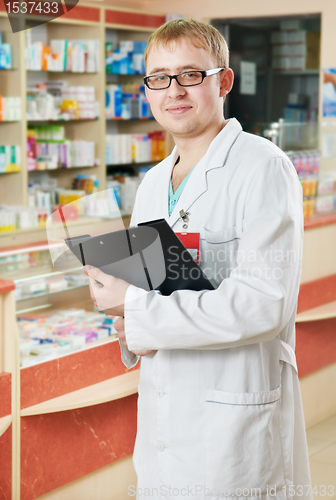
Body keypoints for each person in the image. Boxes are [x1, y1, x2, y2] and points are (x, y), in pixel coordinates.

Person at [84, 19, 312, 500]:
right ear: (147, 89)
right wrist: (127, 318)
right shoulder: (151, 184)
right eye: (159, 78)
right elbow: (153, 293)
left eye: (190, 74)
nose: (174, 91)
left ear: (223, 81)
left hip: (234, 420)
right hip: (166, 417)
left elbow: (262, 305)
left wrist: (138, 310)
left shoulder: (263, 167)